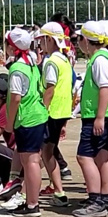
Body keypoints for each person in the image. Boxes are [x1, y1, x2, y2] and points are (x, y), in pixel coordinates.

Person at [71, 21, 108, 217]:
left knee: (84, 156)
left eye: (79, 39)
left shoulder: (99, 59)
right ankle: (106, 198)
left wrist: (99, 117)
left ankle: (95, 199)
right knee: (102, 156)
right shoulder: (102, 57)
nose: (77, 43)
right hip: (102, 114)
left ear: (86, 40)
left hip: (98, 116)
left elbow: (105, 88)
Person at [1, 27, 48, 217]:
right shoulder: (30, 63)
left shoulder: (17, 68)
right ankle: (31, 201)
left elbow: (16, 98)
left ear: (12, 48)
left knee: (30, 162)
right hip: (38, 115)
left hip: (27, 118)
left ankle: (32, 204)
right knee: (32, 161)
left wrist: (9, 122)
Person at [35, 22, 73, 207]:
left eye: (42, 40)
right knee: (48, 152)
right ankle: (57, 189)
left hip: (50, 113)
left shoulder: (51, 62)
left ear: (49, 39)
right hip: (62, 112)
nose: (40, 44)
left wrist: (42, 109)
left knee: (41, 152)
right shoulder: (65, 60)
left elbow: (50, 89)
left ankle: (56, 189)